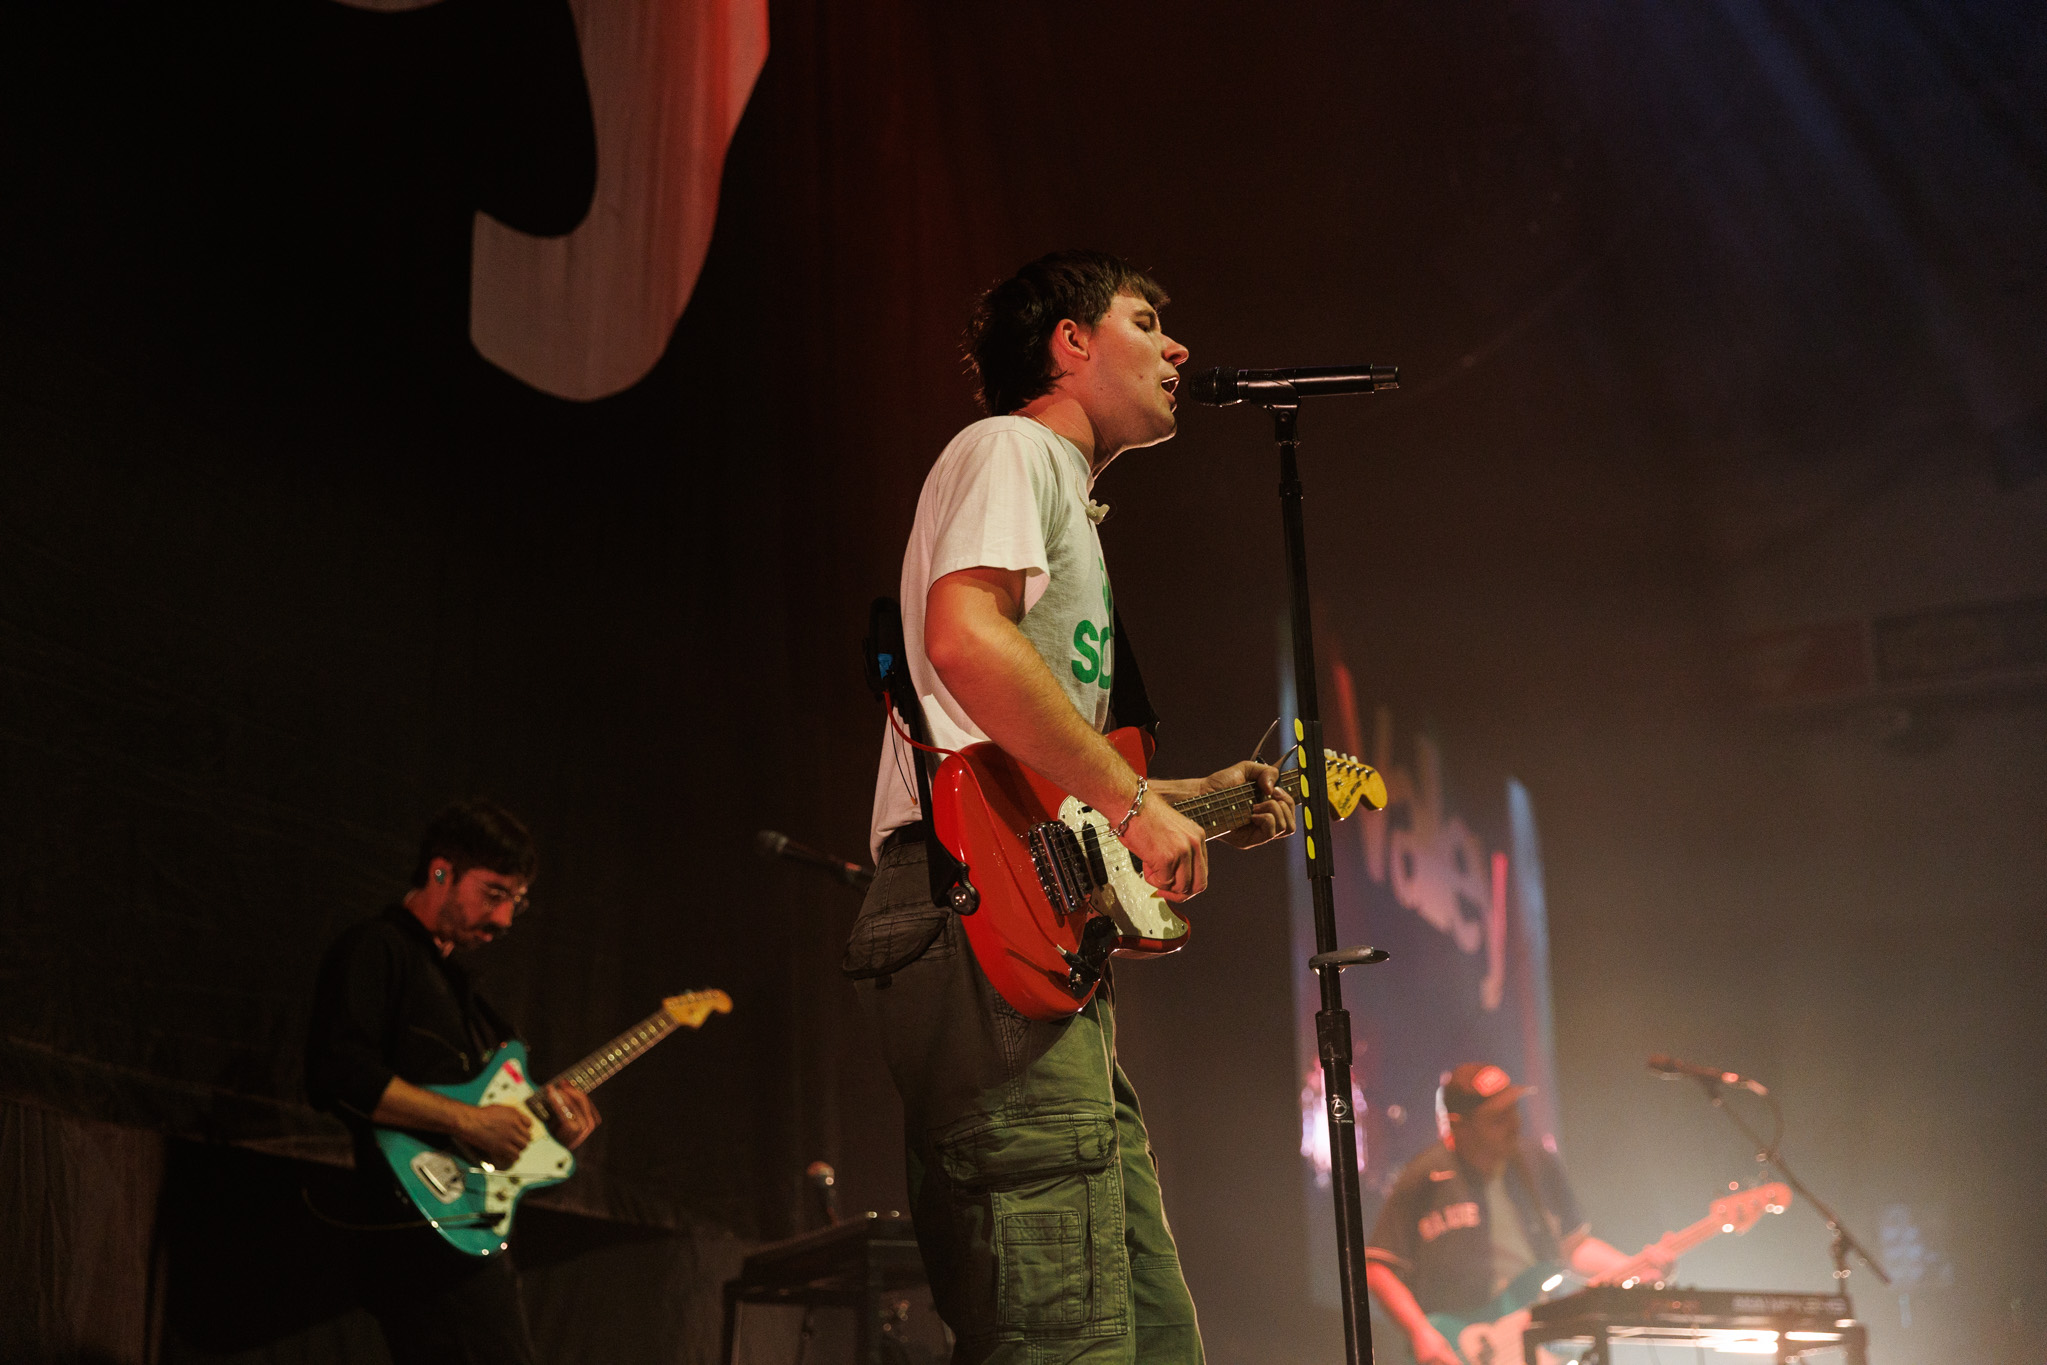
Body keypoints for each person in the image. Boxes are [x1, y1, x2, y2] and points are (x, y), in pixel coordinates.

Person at [843, 249, 1297, 1365]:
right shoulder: (1013, 449)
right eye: (1146, 321)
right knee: (1059, 1333)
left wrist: (1196, 800)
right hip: (972, 917)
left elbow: (1033, 769)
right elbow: (963, 638)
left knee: (1145, 1332)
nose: (1177, 347)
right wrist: (1135, 799)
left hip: (1022, 933)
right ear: (1070, 341)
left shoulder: (1065, 502)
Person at [305, 798, 600, 1365]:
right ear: (440, 872)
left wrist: (552, 1138)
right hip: (416, 1231)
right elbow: (337, 1072)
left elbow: (487, 1135)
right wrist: (469, 1120)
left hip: (465, 1227)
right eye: (494, 894)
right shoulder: (377, 948)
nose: (505, 920)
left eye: (516, 902)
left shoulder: (467, 997)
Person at [1365, 1062, 1675, 1365]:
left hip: (1534, 1335)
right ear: (1459, 1126)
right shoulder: (1425, 1176)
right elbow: (1378, 1268)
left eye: (1513, 1109)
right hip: (1461, 1347)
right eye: (1497, 1118)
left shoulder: (1536, 1162)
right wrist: (1421, 1333)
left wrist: (1632, 1268)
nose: (1514, 1123)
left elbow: (1573, 1246)